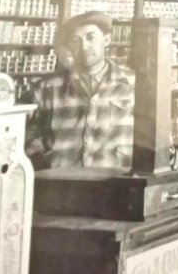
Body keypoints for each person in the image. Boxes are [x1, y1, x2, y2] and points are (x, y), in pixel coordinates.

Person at [25, 11, 135, 170]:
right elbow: (26, 137)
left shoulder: (133, 85)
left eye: (91, 37)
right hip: (63, 186)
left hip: (116, 184)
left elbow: (154, 141)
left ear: (107, 40)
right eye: (76, 40)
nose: (84, 46)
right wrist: (48, 158)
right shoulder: (46, 88)